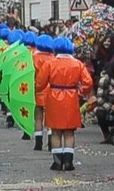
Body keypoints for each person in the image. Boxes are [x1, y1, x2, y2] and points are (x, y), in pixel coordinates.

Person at [36, 36, 93, 171]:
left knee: (55, 131)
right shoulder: (78, 64)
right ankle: (69, 162)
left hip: (54, 97)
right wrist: (79, 92)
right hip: (71, 97)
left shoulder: (50, 63)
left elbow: (40, 83)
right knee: (69, 131)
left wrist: (39, 89)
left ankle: (57, 162)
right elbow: (88, 82)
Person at [31, 34, 55, 151]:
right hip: (51, 90)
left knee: (38, 117)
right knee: (50, 117)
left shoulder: (33, 57)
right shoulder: (53, 58)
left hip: (38, 89)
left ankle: (38, 142)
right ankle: (51, 140)